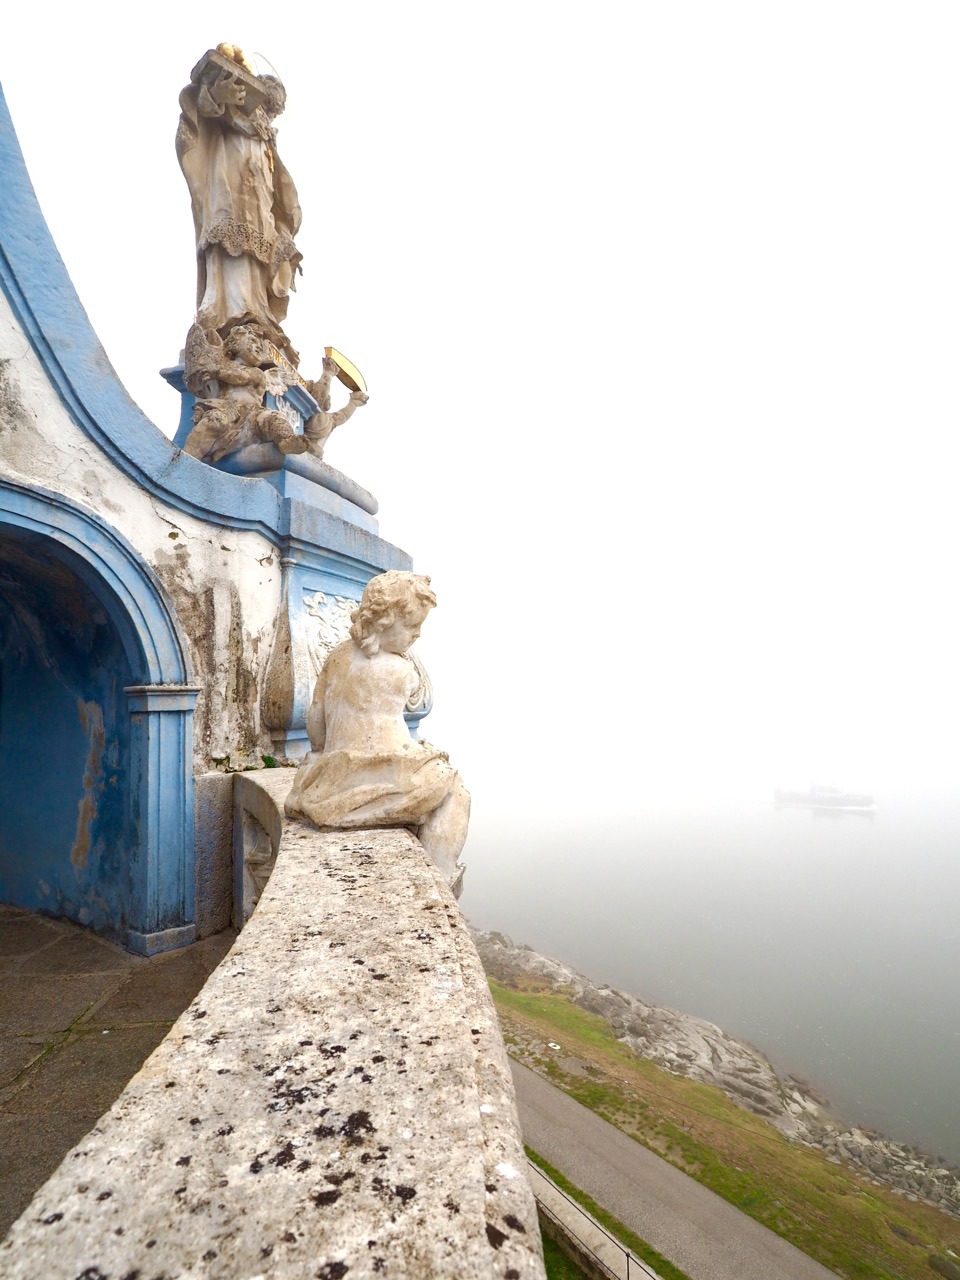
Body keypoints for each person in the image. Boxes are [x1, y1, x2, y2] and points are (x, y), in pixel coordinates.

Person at [285, 572, 470, 893]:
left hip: (332, 774)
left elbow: (316, 721)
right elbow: (397, 731)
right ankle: (439, 880)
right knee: (454, 790)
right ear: (384, 623)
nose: (418, 634)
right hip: (384, 773)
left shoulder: (336, 657)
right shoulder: (403, 670)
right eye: (412, 627)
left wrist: (317, 754)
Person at [176, 46, 302, 363]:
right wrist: (217, 94)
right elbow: (200, 108)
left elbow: (280, 191)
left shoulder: (267, 139)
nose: (272, 114)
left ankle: (256, 315)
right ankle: (224, 313)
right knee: (231, 247)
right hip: (228, 194)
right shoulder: (232, 113)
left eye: (276, 110)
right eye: (271, 104)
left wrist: (284, 231)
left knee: (256, 260)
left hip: (259, 205)